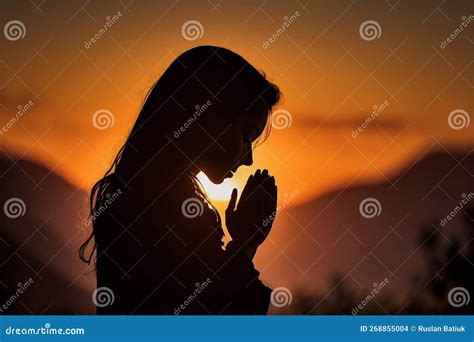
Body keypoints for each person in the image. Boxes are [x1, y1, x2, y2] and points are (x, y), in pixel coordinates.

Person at [79, 46, 280, 314]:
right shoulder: (164, 210)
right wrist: (245, 244)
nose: (248, 160)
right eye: (246, 135)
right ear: (206, 119)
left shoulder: (135, 193)